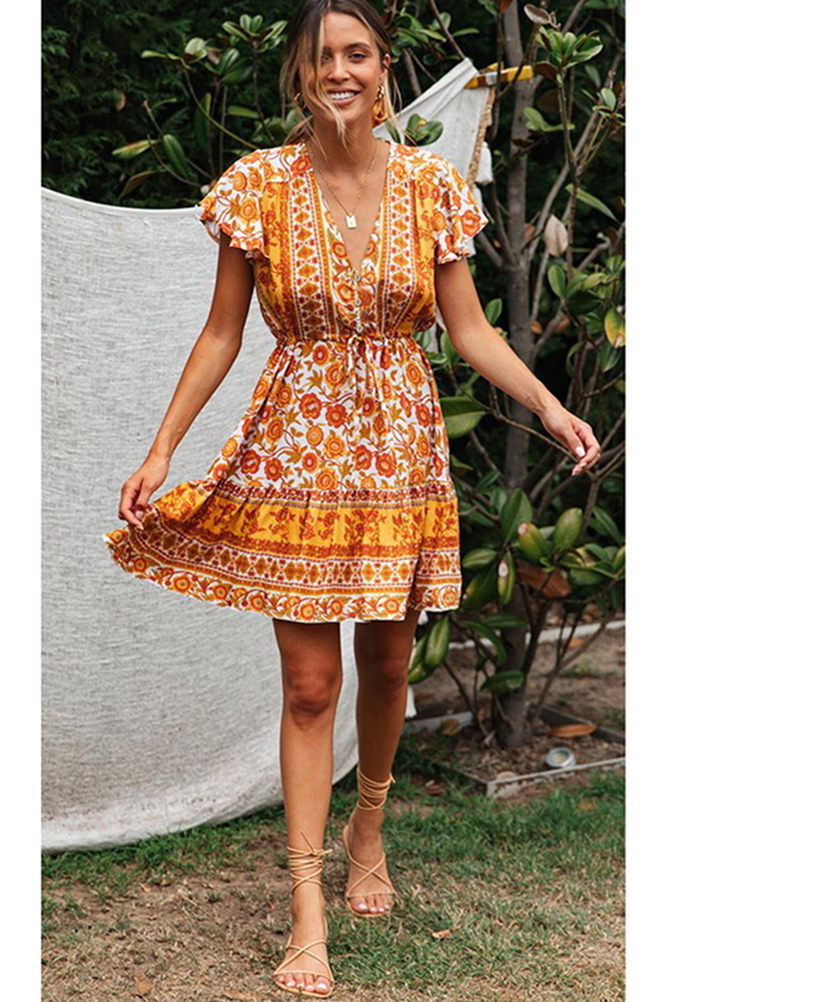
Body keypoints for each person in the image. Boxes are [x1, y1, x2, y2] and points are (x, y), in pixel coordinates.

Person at [103, 0, 600, 994]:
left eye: (357, 54)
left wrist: (547, 404)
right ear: (301, 72)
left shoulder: (430, 186)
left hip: (399, 454)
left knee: (386, 661)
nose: (339, 71)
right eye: (322, 56)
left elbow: (469, 330)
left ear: (383, 70)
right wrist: (161, 450)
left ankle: (367, 826)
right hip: (295, 451)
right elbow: (221, 333)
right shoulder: (257, 187)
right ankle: (306, 905)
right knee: (307, 685)